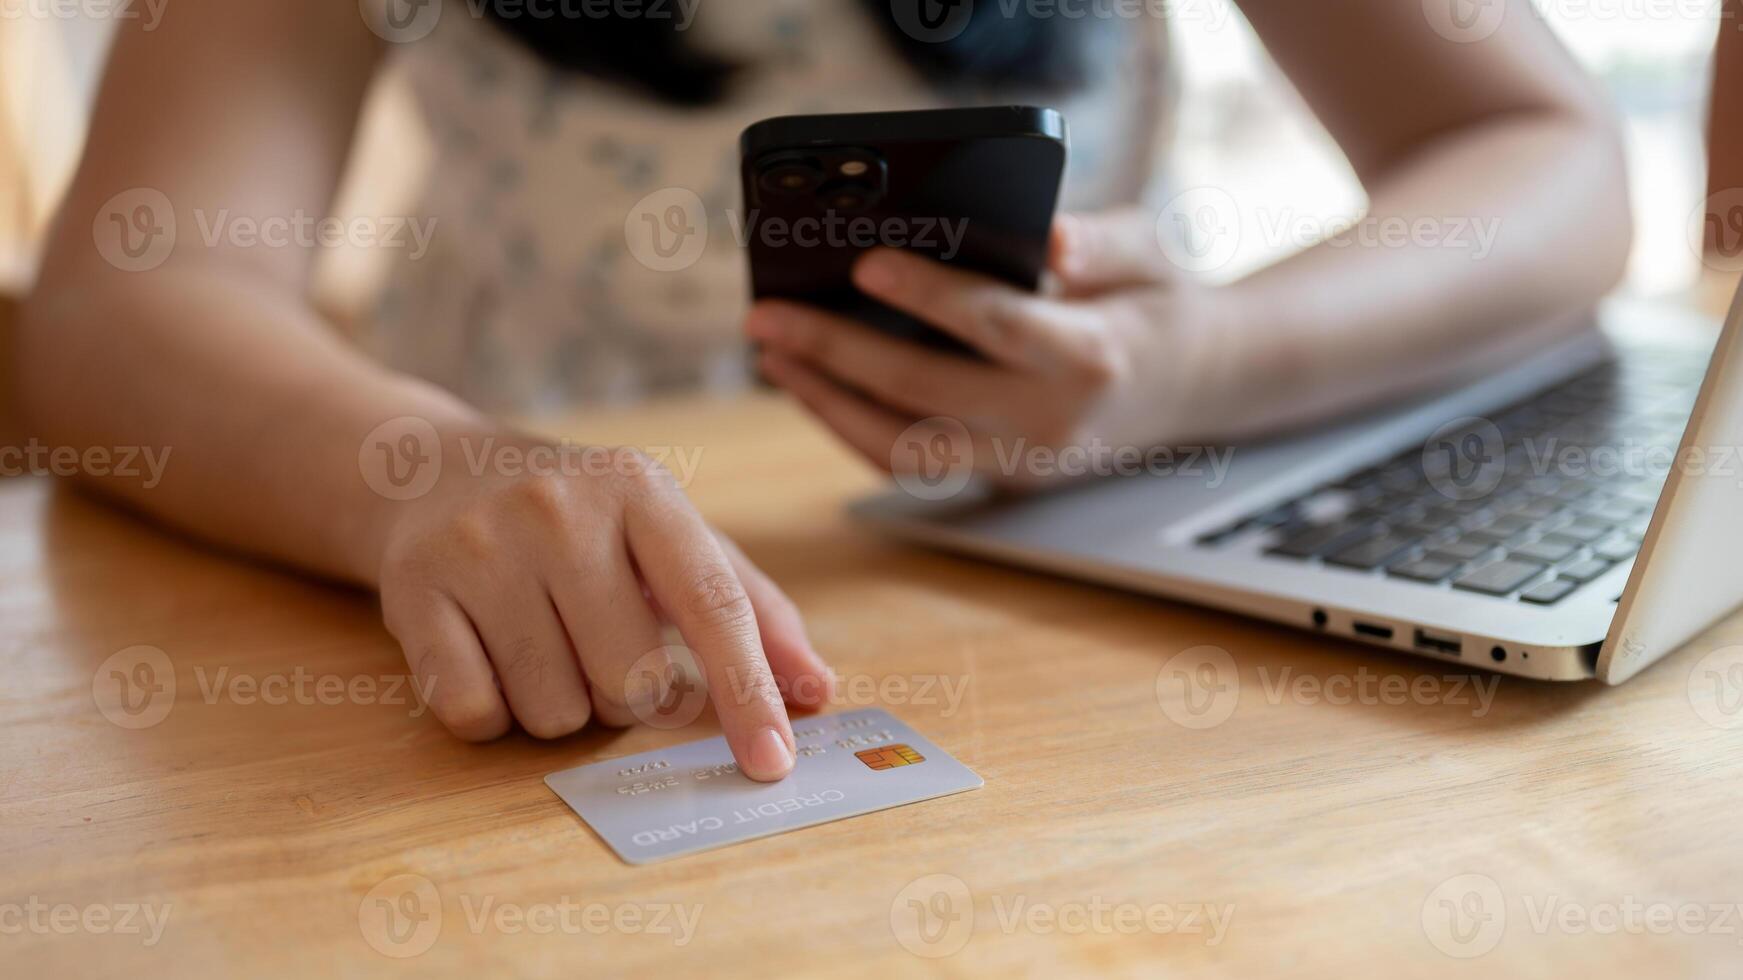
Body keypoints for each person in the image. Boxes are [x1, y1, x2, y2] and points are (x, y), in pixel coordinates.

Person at [16, 0, 1630, 780]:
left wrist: (1210, 358)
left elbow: (1554, 159)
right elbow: (109, 303)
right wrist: (415, 470)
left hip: (1091, 575)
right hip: (537, 612)